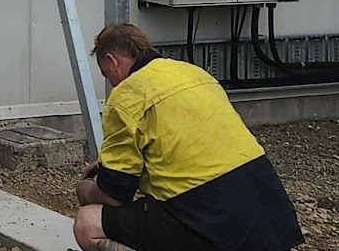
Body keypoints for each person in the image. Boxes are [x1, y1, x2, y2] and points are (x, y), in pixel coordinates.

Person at [72, 23, 304, 251]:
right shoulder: (194, 73)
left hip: (208, 220)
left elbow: (114, 196)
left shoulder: (127, 94)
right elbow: (185, 150)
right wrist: (108, 167)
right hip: (268, 214)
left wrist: (86, 189)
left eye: (106, 74)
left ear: (112, 61)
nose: (111, 83)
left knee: (88, 223)